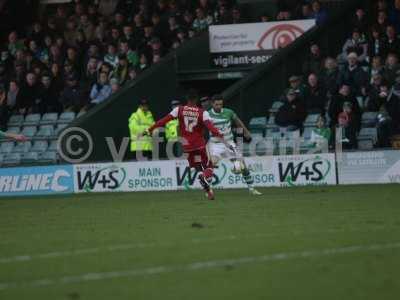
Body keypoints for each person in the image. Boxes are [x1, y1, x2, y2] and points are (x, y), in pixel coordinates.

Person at [146, 90, 230, 200]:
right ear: (196, 100)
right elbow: (211, 127)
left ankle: (208, 191)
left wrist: (150, 129)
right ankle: (204, 178)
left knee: (199, 167)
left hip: (186, 146)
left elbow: (163, 121)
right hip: (199, 145)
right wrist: (220, 135)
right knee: (209, 167)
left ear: (187, 99)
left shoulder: (178, 109)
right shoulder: (202, 112)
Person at [208, 95, 262, 196]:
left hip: (229, 143)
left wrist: (246, 132)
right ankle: (209, 190)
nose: (219, 106)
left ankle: (252, 189)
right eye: (216, 104)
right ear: (212, 104)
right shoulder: (207, 115)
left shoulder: (229, 112)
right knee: (212, 164)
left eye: (220, 104)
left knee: (243, 166)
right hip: (216, 144)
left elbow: (238, 122)